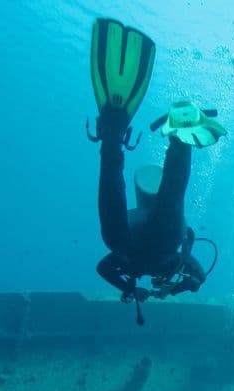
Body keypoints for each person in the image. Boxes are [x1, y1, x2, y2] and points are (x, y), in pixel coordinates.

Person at [87, 18, 226, 324]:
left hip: (141, 235)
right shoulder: (178, 263)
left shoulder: (170, 262)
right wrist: (170, 290)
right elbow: (198, 276)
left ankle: (157, 138)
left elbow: (103, 268)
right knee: (148, 214)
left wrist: (132, 288)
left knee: (166, 203)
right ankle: (132, 136)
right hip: (148, 236)